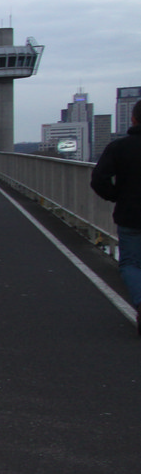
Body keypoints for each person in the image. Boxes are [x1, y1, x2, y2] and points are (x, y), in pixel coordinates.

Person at [89, 99, 141, 335]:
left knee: (130, 263)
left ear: (133, 119)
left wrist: (116, 195)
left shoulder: (120, 147)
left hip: (130, 213)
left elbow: (99, 179)